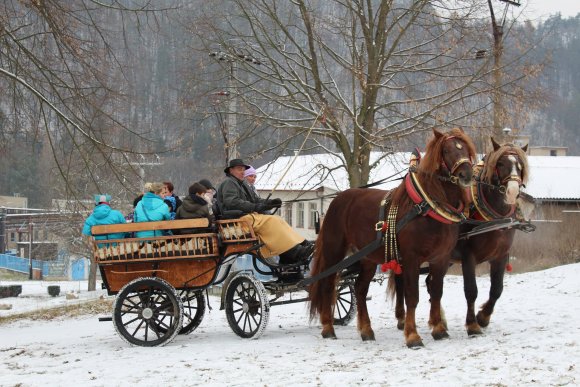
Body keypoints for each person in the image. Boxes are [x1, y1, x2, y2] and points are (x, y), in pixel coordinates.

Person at [216, 158, 313, 265]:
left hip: (245, 217)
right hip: (236, 219)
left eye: (243, 169)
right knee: (271, 221)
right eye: (239, 169)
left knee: (277, 219)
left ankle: (298, 245)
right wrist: (255, 207)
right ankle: (294, 252)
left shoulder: (242, 184)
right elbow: (233, 202)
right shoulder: (228, 183)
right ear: (231, 171)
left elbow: (256, 200)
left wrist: (270, 203)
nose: (242, 172)